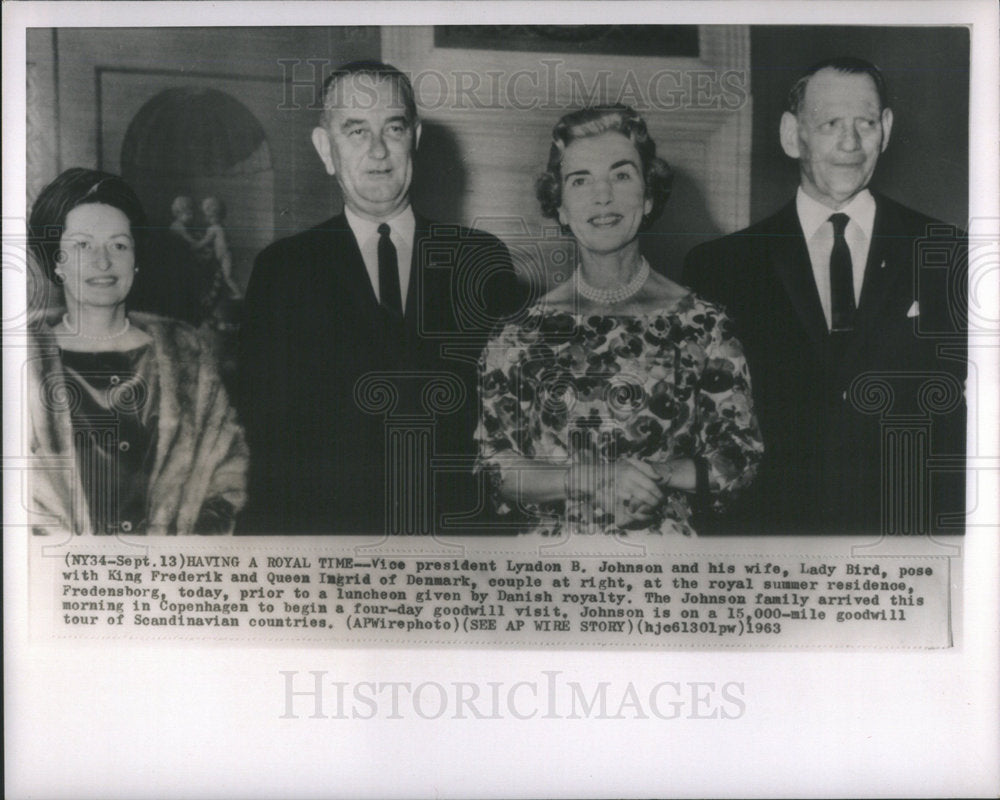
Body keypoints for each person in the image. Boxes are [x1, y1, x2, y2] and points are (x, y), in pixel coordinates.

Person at [238, 60, 526, 534]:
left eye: (392, 128)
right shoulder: (284, 269)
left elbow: (511, 426)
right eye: (355, 131)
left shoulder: (480, 259)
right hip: (330, 546)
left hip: (458, 542)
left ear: (415, 137)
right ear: (324, 148)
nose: (378, 150)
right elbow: (263, 438)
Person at [683, 57, 966, 535]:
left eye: (866, 123)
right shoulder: (721, 268)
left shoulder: (947, 252)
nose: (850, 143)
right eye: (831, 123)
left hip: (908, 537)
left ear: (887, 129)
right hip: (771, 539)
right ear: (793, 135)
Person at [476, 105, 763, 536]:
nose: (602, 195)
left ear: (648, 196)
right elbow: (494, 469)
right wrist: (593, 480)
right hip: (548, 573)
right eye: (580, 180)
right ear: (560, 208)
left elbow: (739, 458)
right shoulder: (517, 335)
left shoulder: (705, 326)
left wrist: (655, 476)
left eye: (621, 174)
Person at [26, 168, 248, 535]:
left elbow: (227, 474)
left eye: (118, 245)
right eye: (82, 245)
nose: (103, 262)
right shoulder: (20, 360)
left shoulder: (188, 353)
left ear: (136, 258)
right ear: (56, 261)